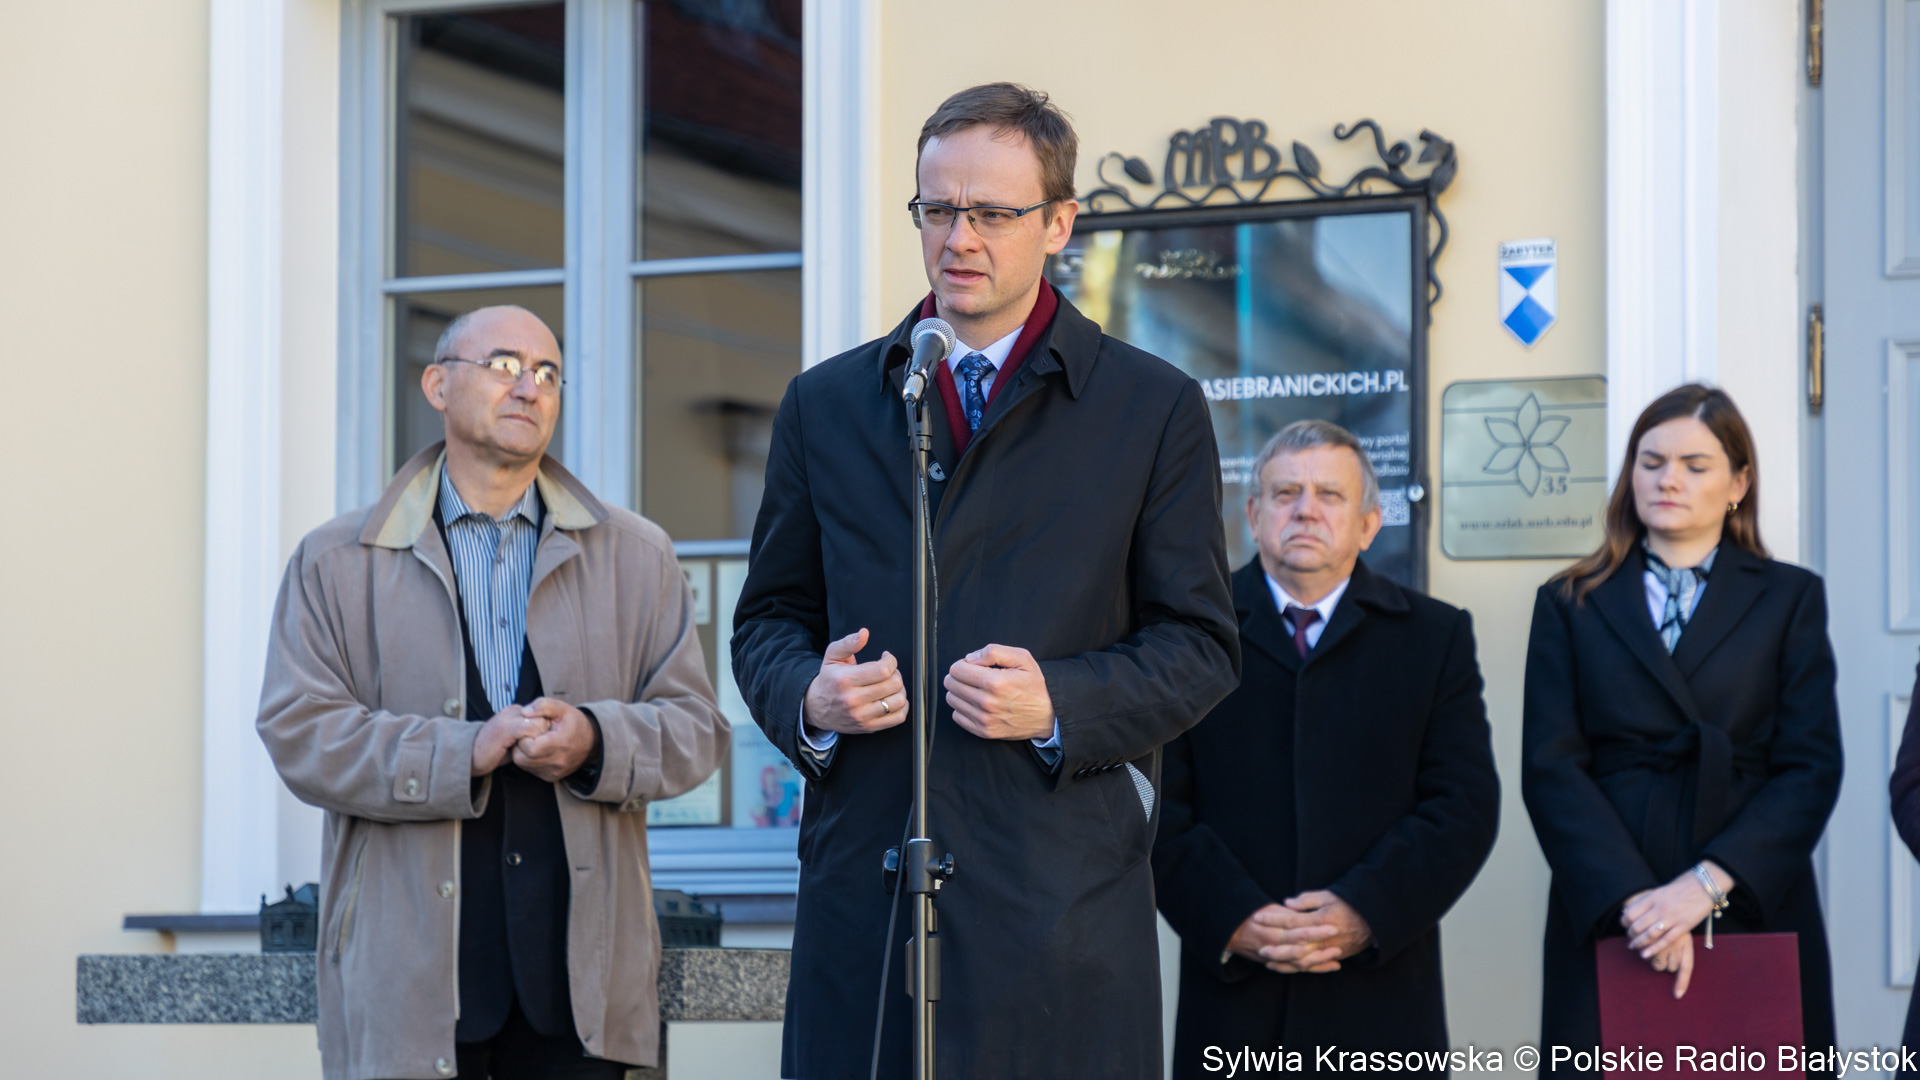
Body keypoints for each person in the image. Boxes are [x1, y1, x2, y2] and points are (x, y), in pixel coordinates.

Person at [730, 83, 1240, 1079]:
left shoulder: (1151, 408)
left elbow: (1201, 646)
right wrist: (811, 699)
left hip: (1057, 909)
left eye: (993, 214)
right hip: (869, 898)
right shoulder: (825, 404)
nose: (958, 239)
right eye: (937, 209)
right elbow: (767, 623)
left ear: (1058, 224)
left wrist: (1061, 702)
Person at [257, 305, 730, 1080]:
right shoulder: (336, 560)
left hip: (581, 1002)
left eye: (548, 373)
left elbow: (698, 731)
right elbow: (300, 732)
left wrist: (596, 741)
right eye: (504, 365)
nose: (529, 388)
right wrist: (459, 752)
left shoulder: (637, 556)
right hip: (407, 992)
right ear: (437, 386)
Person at [1153, 421, 1499, 1076]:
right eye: (1286, 493)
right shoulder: (1188, 638)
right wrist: (1231, 917)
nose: (1305, 510)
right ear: (1252, 516)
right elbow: (1155, 804)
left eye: (1330, 495)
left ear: (1368, 525)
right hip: (1234, 1002)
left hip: (1380, 1002)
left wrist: (1365, 911)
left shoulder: (1434, 638)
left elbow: (1463, 809)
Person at [1522, 384, 1841, 1059]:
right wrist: (1641, 905)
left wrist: (1703, 890)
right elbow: (1550, 769)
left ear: (1738, 484)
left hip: (1747, 891)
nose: (1668, 480)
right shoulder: (1569, 601)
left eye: (1695, 466)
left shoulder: (1790, 598)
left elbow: (1810, 768)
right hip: (1613, 896)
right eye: (1651, 462)